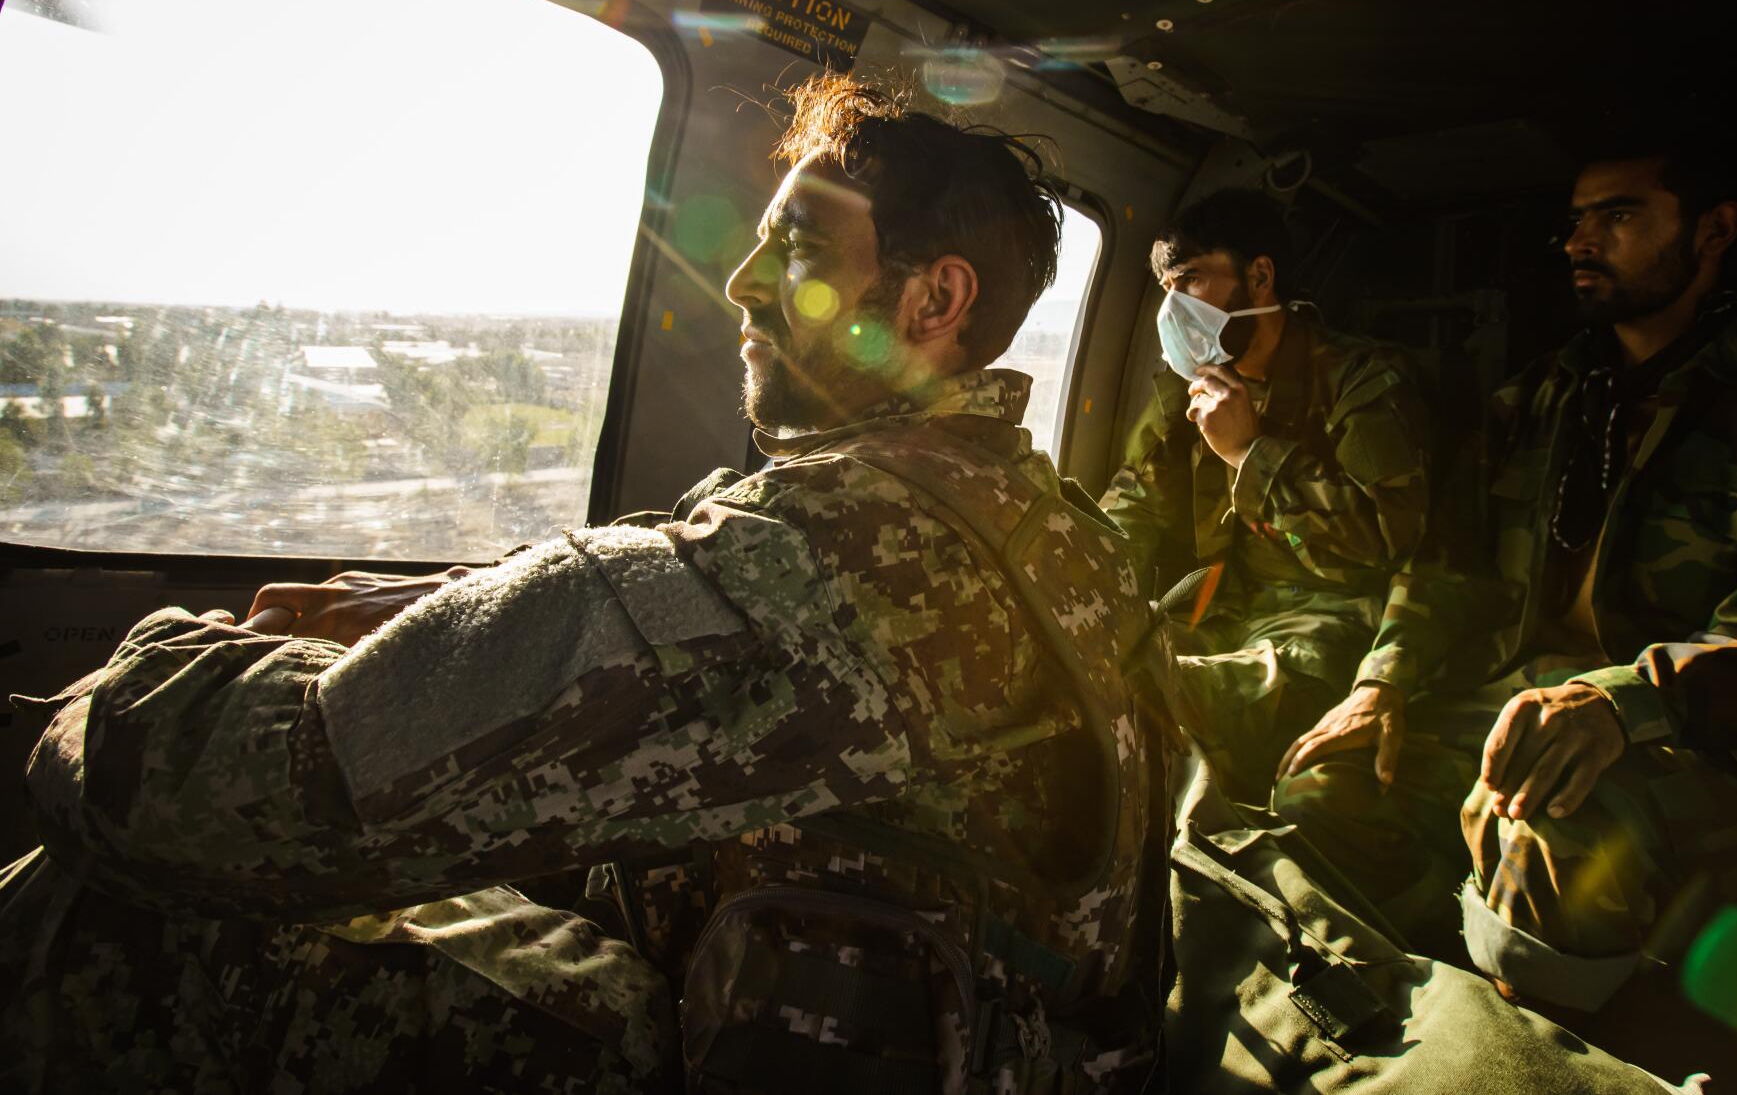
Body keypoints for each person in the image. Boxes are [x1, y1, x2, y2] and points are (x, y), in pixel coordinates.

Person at [1, 73, 1167, 1092]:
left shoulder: (850, 555)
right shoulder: (1032, 518)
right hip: (955, 1038)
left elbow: (242, 788)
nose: (741, 283)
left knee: (120, 914)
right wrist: (435, 606)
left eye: (798, 249)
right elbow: (660, 576)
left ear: (934, 301)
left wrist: (130, 679)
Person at [1273, 145, 1737, 1012]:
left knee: (1550, 833)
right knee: (1316, 788)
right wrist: (1381, 684)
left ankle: (1553, 1052)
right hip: (1511, 704)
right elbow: (1447, 562)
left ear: (1714, 230)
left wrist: (1623, 703)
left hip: (1694, 742)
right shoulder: (1541, 401)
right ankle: (1421, 1016)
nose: (1580, 242)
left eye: (1620, 215)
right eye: (1577, 221)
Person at [1098, 190, 1433, 800]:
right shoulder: (1187, 393)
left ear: (1259, 276)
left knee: (1150, 697)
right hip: (1224, 611)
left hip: (1333, 623)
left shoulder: (1362, 379)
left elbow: (1386, 544)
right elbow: (1132, 504)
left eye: (1192, 280)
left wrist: (1249, 455)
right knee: (1091, 673)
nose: (1174, 307)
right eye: (1168, 288)